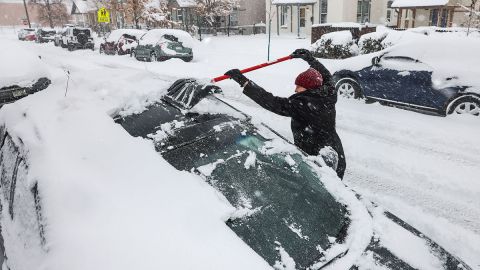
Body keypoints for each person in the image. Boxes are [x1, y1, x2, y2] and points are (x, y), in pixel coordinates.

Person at [225, 49, 346, 179]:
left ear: (308, 88)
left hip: (319, 159)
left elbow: (270, 101)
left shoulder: (303, 104)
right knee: (335, 187)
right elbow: (326, 75)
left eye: (299, 86)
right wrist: (310, 59)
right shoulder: (328, 93)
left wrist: (244, 82)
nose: (295, 89)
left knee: (323, 191)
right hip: (335, 152)